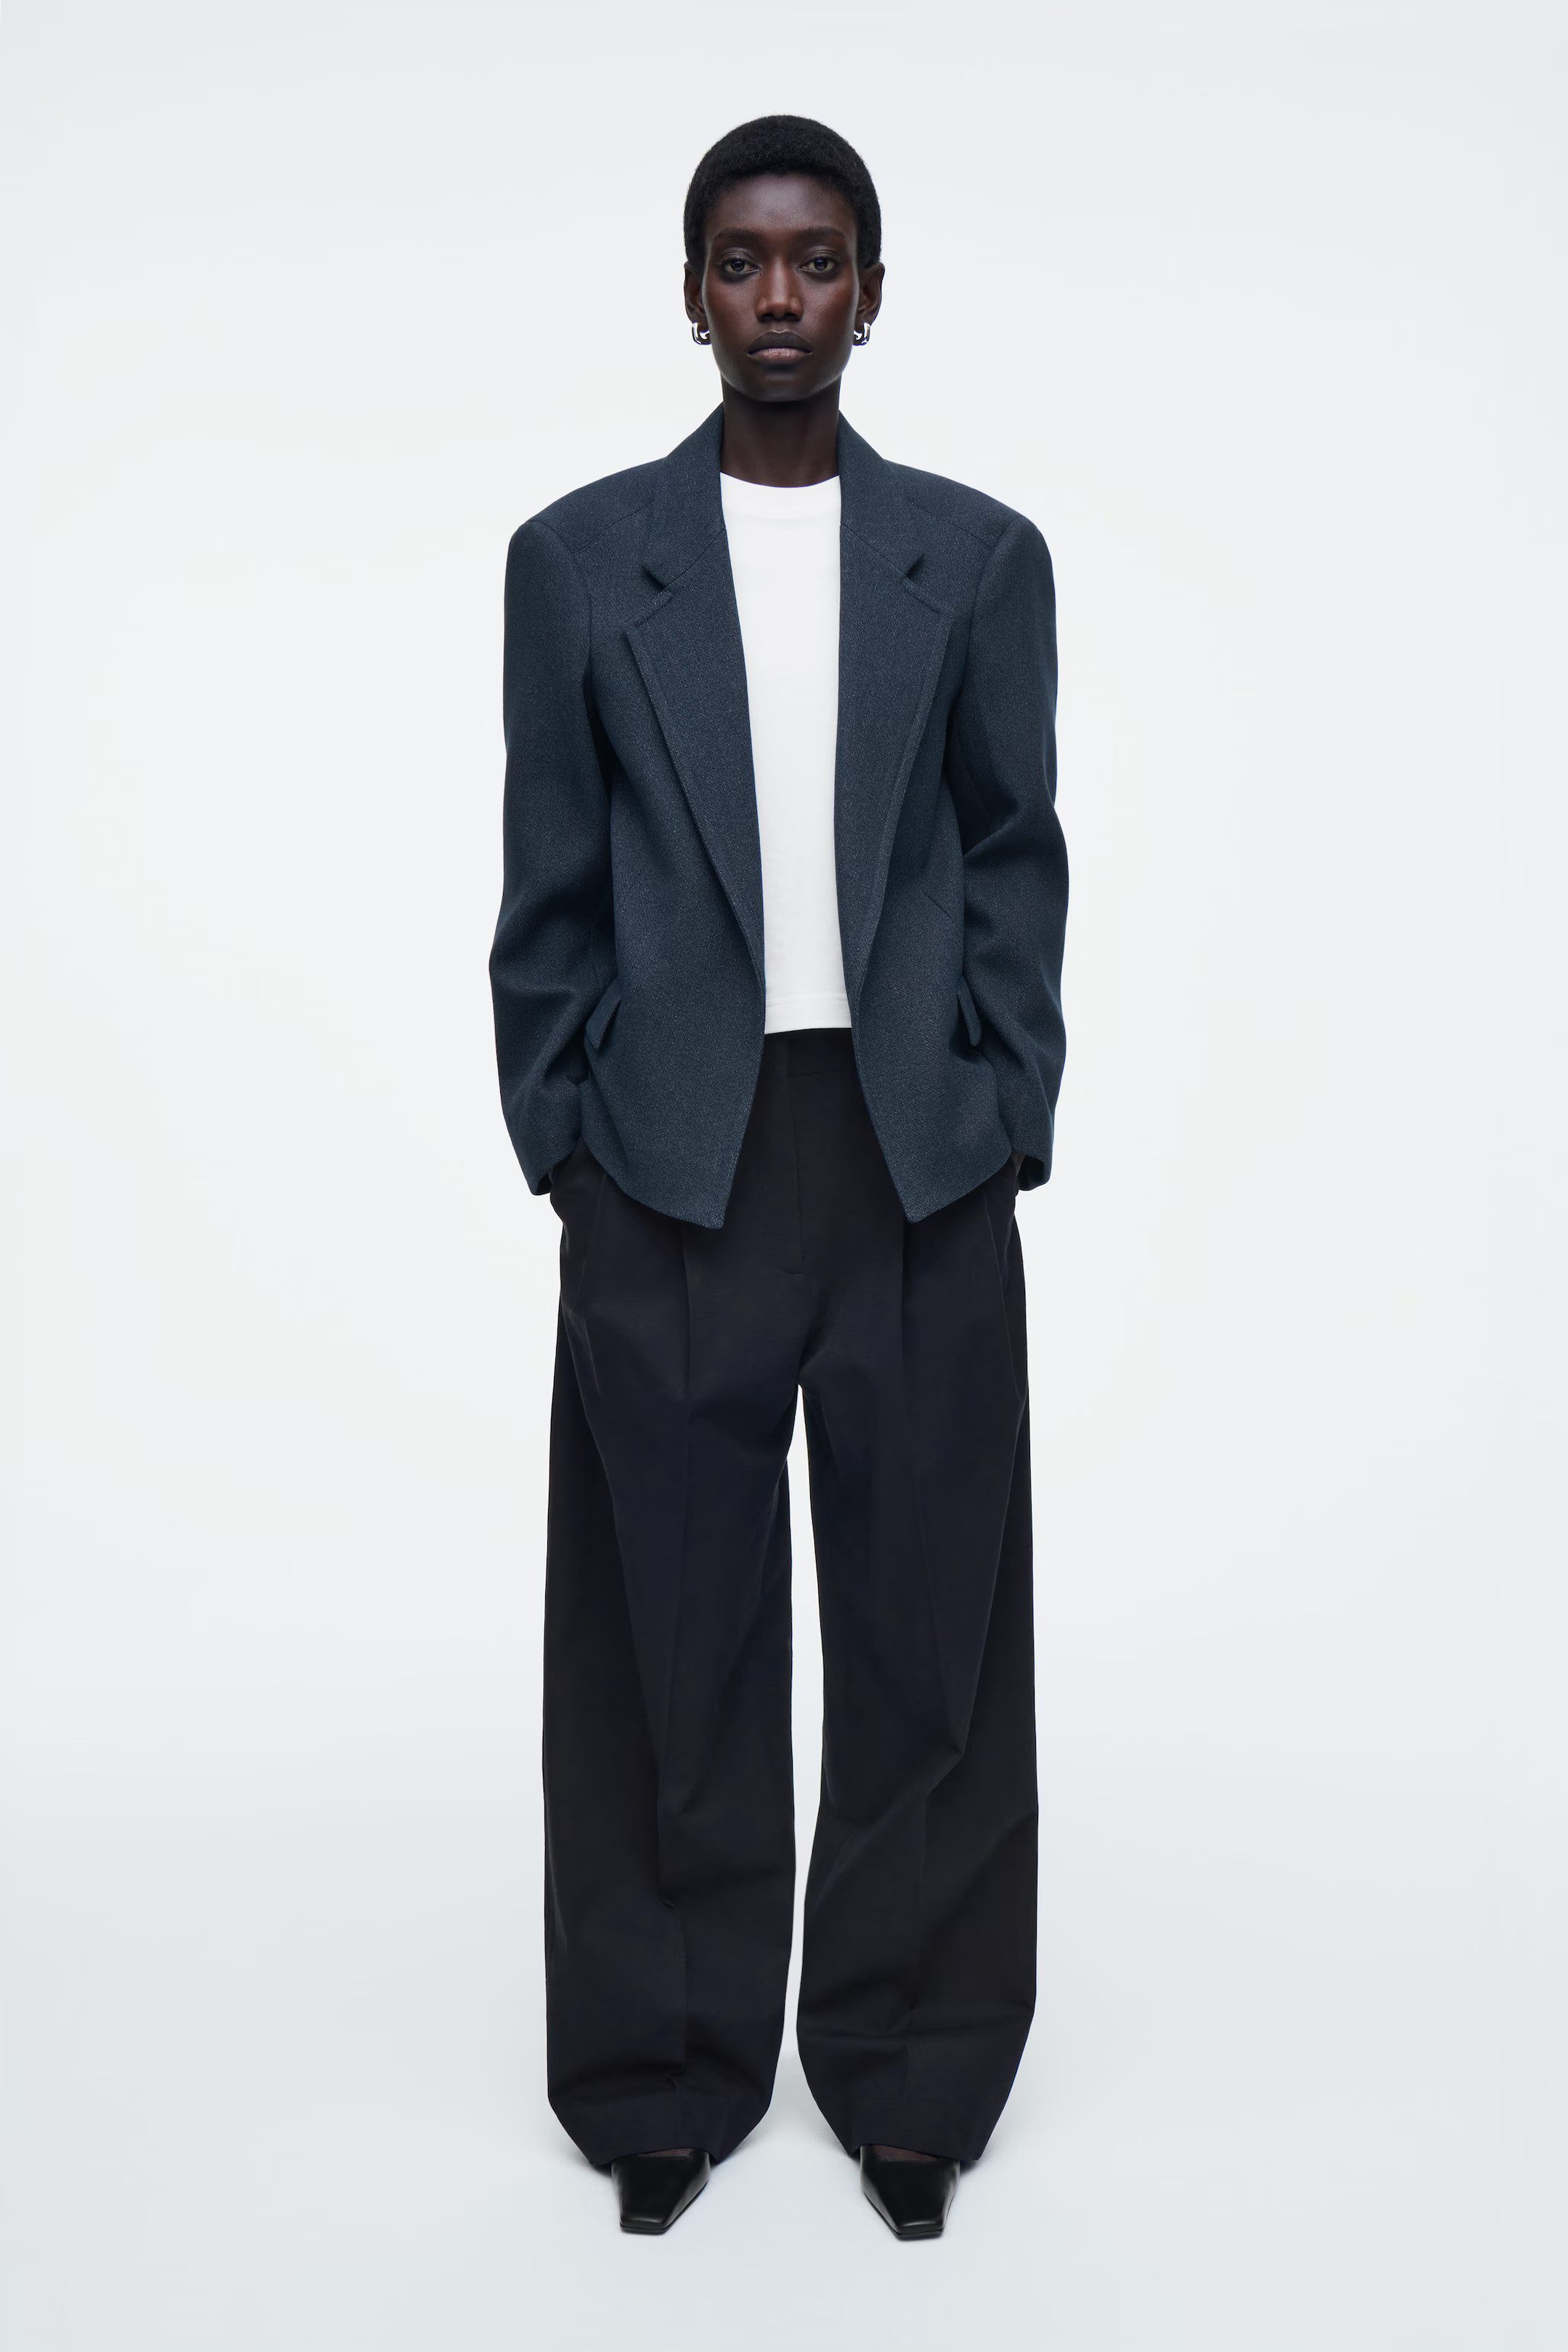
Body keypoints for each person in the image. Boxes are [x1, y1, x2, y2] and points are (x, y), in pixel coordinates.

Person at [489, 114, 1067, 2242]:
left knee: (933, 1633)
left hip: (914, 1156)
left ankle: (913, 2071)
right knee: (666, 1633)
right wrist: (565, 1133)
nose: (781, 299)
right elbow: (549, 873)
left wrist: (1008, 1103)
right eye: (742, 262)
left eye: (818, 261)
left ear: (874, 292)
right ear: (691, 292)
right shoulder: (581, 559)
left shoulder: (975, 559)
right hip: (670, 1159)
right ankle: (662, 2070)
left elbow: (1015, 846)